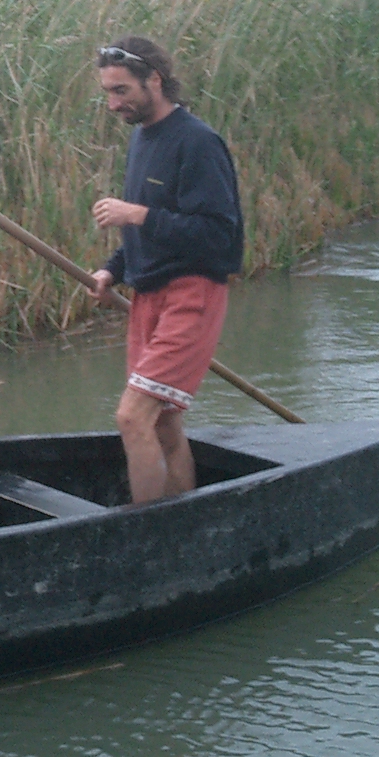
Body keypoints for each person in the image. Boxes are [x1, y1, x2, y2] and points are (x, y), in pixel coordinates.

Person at [85, 37, 244, 505]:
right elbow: (153, 220)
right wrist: (112, 269)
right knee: (162, 421)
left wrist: (136, 216)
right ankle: (183, 516)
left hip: (191, 295)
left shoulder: (198, 142)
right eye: (108, 93)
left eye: (122, 91)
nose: (114, 104)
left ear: (154, 80)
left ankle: (145, 530)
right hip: (147, 295)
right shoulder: (142, 136)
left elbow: (219, 235)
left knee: (132, 417)